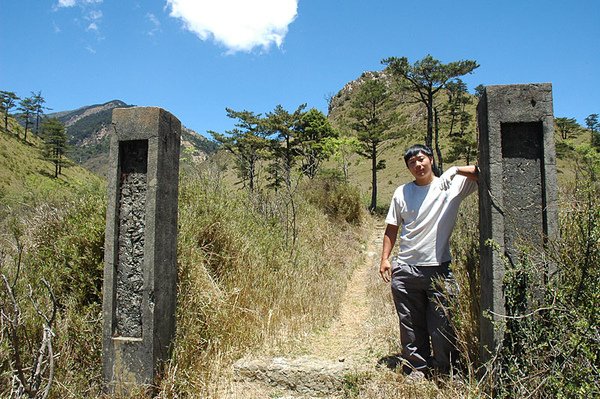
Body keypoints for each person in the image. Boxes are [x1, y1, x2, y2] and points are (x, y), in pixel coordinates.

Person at [379, 144, 478, 377]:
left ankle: (445, 370)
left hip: (439, 268)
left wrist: (455, 169)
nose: (418, 165)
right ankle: (417, 368)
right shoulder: (402, 192)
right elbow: (392, 228)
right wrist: (385, 259)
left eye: (421, 159)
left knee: (442, 325)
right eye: (412, 163)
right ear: (408, 167)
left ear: (431, 160)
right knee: (411, 325)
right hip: (405, 269)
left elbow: (486, 172)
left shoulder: (452, 184)